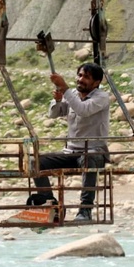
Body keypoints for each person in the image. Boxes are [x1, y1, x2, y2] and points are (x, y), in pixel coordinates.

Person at [33, 62, 110, 221]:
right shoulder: (73, 94)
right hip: (71, 152)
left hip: (94, 152)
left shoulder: (101, 97)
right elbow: (54, 114)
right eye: (80, 75)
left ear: (96, 83)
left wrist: (65, 88)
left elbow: (83, 110)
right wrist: (58, 100)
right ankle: (51, 204)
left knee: (88, 160)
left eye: (86, 77)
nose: (81, 79)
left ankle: (85, 210)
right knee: (35, 162)